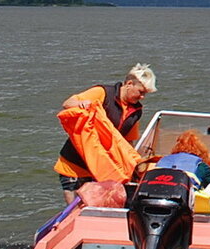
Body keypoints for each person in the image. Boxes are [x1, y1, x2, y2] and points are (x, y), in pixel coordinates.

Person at [54, 63, 157, 203]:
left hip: (100, 169)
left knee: (96, 206)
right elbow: (68, 103)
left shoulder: (135, 112)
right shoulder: (103, 93)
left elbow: (127, 143)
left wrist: (132, 168)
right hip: (74, 166)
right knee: (74, 211)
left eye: (145, 94)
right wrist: (82, 104)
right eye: (141, 91)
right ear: (129, 84)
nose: (143, 97)